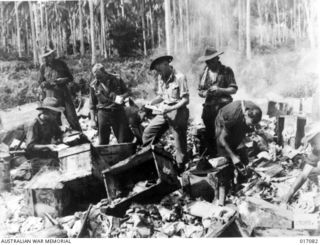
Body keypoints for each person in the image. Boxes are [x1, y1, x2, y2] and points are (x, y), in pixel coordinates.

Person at [142, 55, 189, 173]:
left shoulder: (180, 77)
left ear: (166, 64)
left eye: (159, 69)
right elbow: (161, 96)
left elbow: (185, 100)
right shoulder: (161, 77)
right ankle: (151, 161)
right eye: (157, 70)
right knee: (148, 133)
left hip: (178, 111)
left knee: (179, 144)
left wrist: (172, 108)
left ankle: (180, 169)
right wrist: (150, 102)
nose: (158, 72)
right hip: (164, 111)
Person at [215, 100, 262, 205]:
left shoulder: (255, 110)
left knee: (242, 155)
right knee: (227, 159)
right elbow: (222, 140)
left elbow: (245, 131)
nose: (252, 126)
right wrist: (232, 156)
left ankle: (242, 185)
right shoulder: (232, 116)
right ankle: (227, 190)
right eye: (251, 123)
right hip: (223, 122)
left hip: (239, 121)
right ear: (246, 115)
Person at [198, 47, 238, 157]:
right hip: (209, 109)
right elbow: (199, 91)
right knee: (210, 134)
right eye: (207, 61)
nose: (210, 63)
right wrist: (204, 93)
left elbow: (233, 89)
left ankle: (228, 157)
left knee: (224, 134)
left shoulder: (226, 71)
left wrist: (220, 90)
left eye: (212, 60)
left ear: (217, 59)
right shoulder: (203, 74)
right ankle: (214, 159)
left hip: (224, 108)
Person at [38, 48, 82, 131]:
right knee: (53, 116)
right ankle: (57, 136)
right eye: (46, 57)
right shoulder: (43, 67)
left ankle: (79, 133)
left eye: (49, 55)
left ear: (52, 55)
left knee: (71, 115)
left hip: (63, 92)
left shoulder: (61, 64)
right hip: (51, 95)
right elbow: (40, 81)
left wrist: (62, 80)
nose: (48, 58)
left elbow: (70, 78)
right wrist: (43, 84)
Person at [89, 63, 133, 145]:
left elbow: (128, 92)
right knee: (103, 141)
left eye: (100, 77)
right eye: (96, 77)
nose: (99, 79)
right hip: (103, 112)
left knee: (124, 140)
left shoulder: (117, 79)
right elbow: (92, 105)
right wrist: (92, 120)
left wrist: (121, 97)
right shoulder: (94, 85)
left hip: (117, 111)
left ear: (104, 72)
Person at [283, 123, 320, 204]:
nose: (312, 146)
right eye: (311, 142)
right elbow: (303, 175)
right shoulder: (317, 150)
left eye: (313, 141)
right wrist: (288, 195)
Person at [25, 97, 64, 174]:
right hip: (36, 159)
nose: (55, 117)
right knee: (55, 166)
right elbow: (30, 146)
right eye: (53, 114)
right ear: (46, 112)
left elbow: (59, 134)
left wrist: (60, 138)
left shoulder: (52, 121)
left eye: (56, 114)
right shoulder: (33, 124)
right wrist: (48, 146)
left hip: (49, 154)